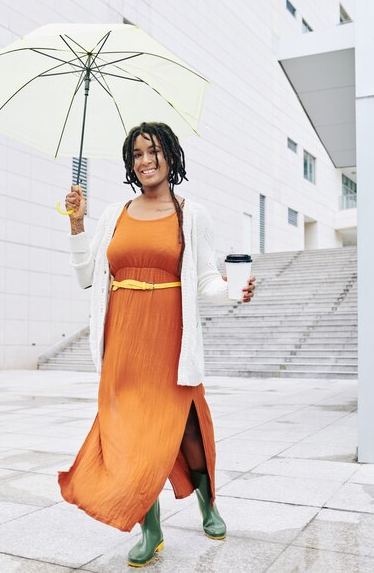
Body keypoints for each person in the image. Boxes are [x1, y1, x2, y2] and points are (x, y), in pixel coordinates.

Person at [58, 121, 256, 568]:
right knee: (131, 438)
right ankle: (152, 529)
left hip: (169, 339)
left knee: (185, 432)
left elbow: (205, 277)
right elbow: (87, 276)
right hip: (124, 342)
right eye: (136, 155)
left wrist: (231, 291)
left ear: (170, 156)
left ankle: (207, 502)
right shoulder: (114, 214)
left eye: (153, 151)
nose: (144, 161)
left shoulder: (192, 214)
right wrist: (76, 224)